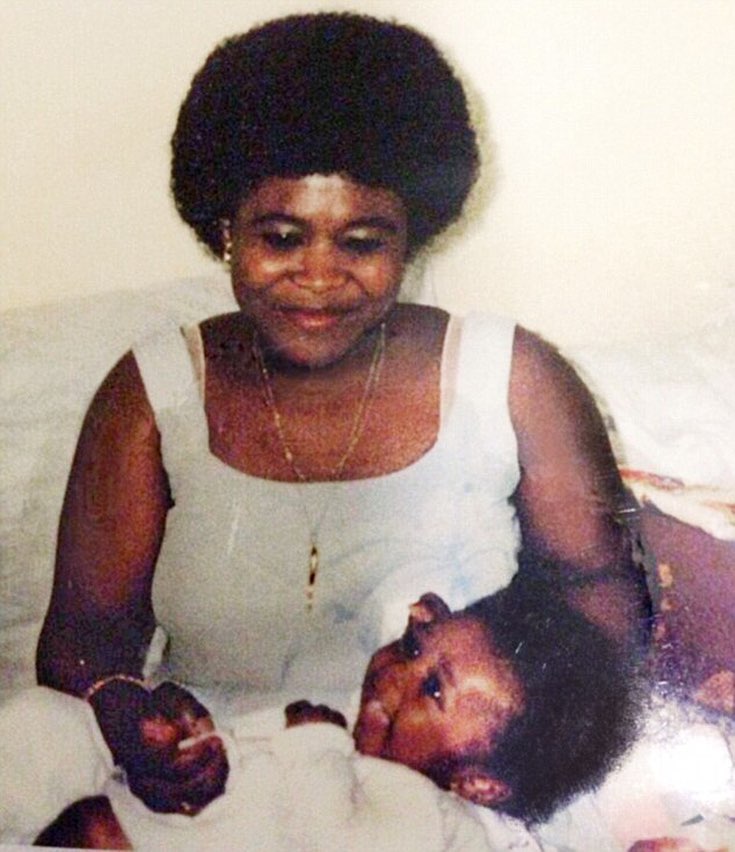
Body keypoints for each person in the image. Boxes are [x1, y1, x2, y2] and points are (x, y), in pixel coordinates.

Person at [32, 10, 649, 824]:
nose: (318, 278)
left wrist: (538, 772)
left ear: (410, 235)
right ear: (223, 230)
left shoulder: (511, 379)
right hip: (213, 801)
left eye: (361, 242)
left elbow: (598, 596)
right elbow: (84, 637)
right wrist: (120, 709)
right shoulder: (152, 392)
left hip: (447, 811)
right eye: (281, 237)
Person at [35, 579, 638, 849]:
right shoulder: (367, 756)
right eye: (410, 648)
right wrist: (194, 737)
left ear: (478, 783)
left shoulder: (434, 818)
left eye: (433, 692)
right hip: (156, 828)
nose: (393, 678)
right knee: (52, 736)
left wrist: (312, 742)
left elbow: (326, 837)